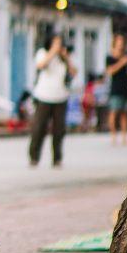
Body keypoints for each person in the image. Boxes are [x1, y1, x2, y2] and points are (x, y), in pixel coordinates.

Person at [28, 31, 75, 168]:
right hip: (44, 96)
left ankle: (57, 158)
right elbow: (41, 65)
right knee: (39, 128)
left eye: (60, 42)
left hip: (61, 96)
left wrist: (66, 58)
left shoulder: (64, 57)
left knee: (59, 129)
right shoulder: (43, 53)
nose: (58, 45)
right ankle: (34, 157)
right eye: (55, 42)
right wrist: (53, 52)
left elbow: (73, 73)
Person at [105, 33, 127, 145]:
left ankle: (125, 136)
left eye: (122, 42)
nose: (120, 44)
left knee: (124, 113)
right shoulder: (110, 57)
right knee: (114, 112)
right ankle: (113, 136)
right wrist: (122, 62)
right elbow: (110, 71)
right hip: (115, 88)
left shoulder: (125, 55)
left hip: (125, 86)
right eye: (118, 42)